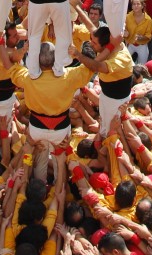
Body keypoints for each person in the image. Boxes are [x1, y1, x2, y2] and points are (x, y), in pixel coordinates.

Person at [7, 41, 92, 181]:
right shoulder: (69, 75)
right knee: (60, 161)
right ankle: (59, 190)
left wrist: (23, 50)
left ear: (36, 60)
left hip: (37, 129)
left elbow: (11, 66)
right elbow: (91, 67)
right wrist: (77, 55)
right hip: (60, 129)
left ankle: (40, 188)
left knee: (39, 162)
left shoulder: (28, 77)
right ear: (56, 58)